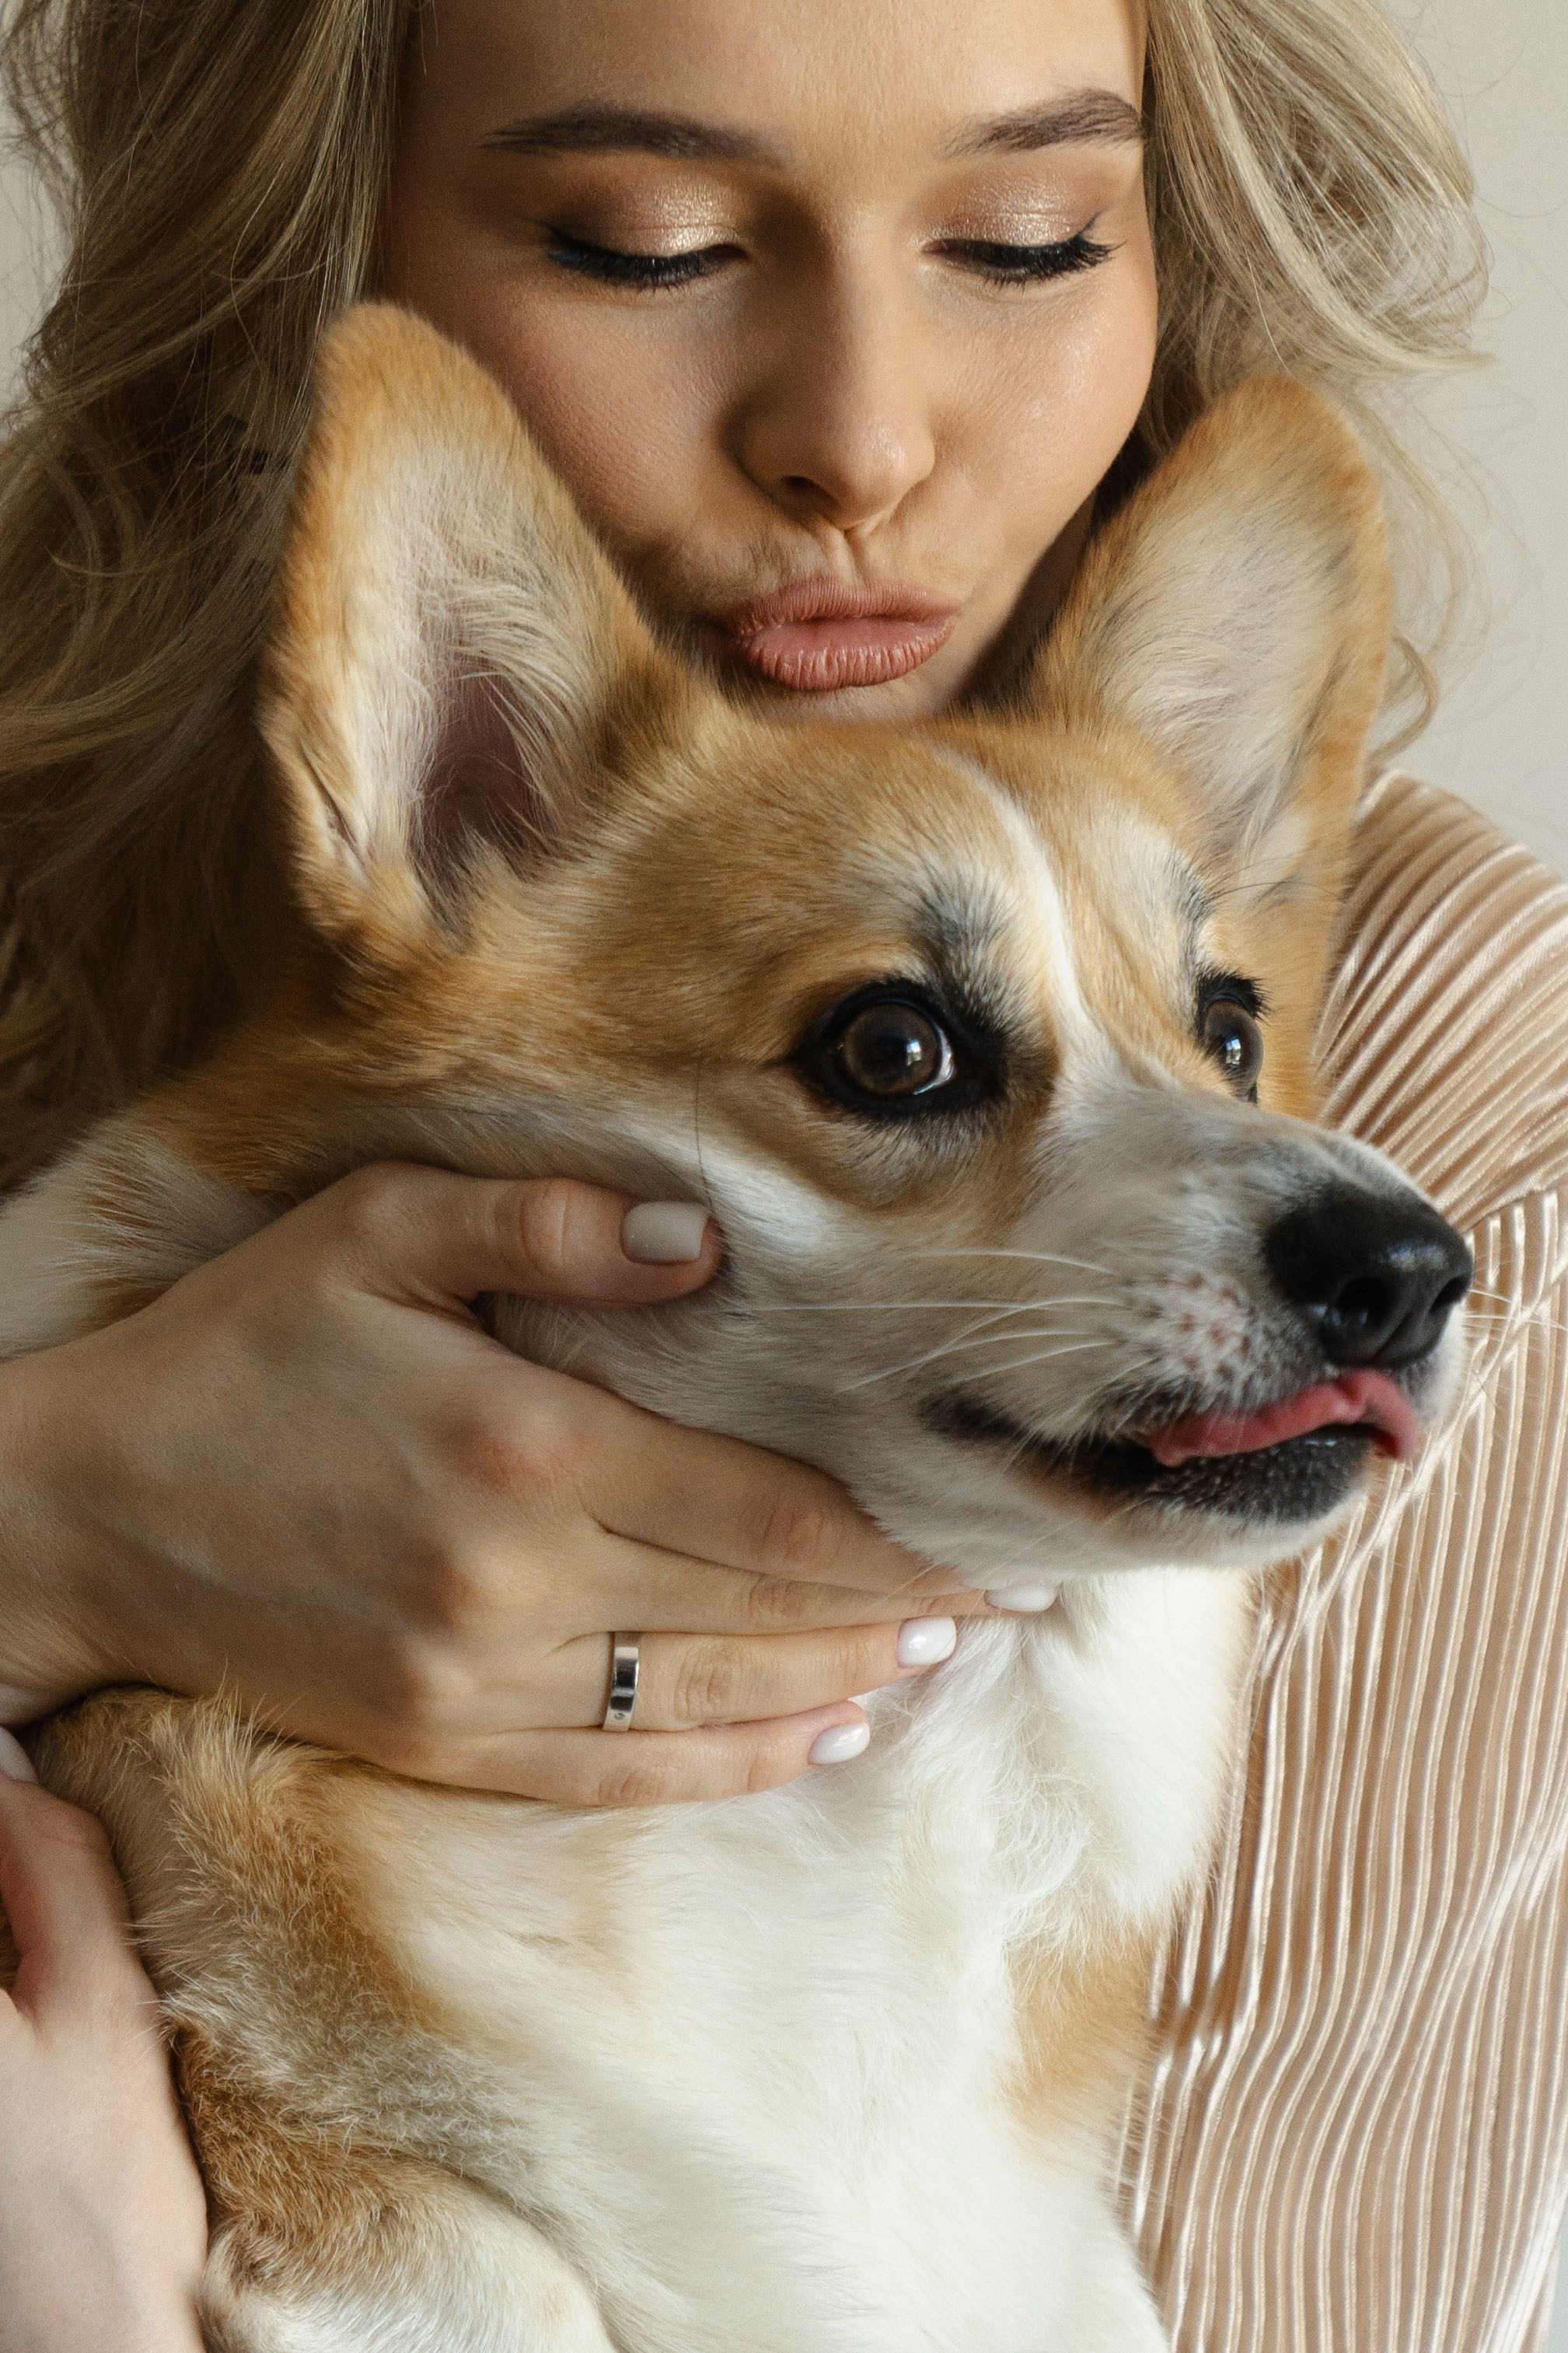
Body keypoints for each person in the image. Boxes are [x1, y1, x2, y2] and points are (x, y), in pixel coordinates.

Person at [7, 2, 1563, 2348]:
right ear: (306, 246)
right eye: (644, 242)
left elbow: (1300, 2255)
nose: (855, 434)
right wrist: (51, 1516)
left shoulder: (1435, 1066)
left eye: (1026, 238)